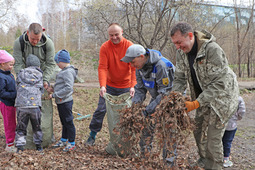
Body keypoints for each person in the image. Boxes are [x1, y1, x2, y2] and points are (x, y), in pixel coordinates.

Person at [170, 21, 239, 169]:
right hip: (203, 98)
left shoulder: (212, 50)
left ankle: (214, 166)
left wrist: (196, 103)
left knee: (213, 140)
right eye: (175, 44)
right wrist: (174, 98)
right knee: (199, 131)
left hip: (222, 99)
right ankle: (204, 161)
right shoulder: (181, 52)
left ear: (190, 36)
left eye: (179, 42)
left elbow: (220, 83)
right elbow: (180, 78)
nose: (177, 47)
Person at [121, 44, 175, 165]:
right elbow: (140, 89)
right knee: (147, 126)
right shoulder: (139, 68)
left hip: (170, 99)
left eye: (133, 62)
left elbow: (165, 94)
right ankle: (145, 159)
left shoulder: (161, 66)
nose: (132, 65)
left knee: (168, 131)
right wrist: (134, 108)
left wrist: (147, 110)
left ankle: (169, 164)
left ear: (141, 56)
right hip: (157, 97)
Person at [85, 23, 136, 146]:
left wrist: (133, 85)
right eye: (111, 35)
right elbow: (102, 67)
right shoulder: (105, 47)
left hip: (126, 86)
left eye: (116, 34)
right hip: (109, 86)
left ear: (122, 32)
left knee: (127, 113)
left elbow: (134, 68)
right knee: (101, 110)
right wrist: (103, 85)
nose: (114, 37)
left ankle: (127, 140)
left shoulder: (129, 46)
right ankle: (92, 135)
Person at [13, 23, 56, 148]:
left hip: (42, 77)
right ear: (27, 33)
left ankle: (47, 136)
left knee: (43, 109)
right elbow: (18, 63)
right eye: (33, 39)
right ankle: (26, 142)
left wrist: (45, 80)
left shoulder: (48, 43)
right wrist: (23, 78)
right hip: (24, 78)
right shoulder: (19, 43)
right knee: (25, 113)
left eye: (38, 39)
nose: (35, 42)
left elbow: (50, 64)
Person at [49, 49, 77, 152]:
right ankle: (64, 139)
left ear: (62, 61)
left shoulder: (68, 72)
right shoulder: (64, 71)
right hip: (60, 101)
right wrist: (53, 88)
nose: (57, 64)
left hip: (65, 102)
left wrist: (54, 94)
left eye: (57, 62)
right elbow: (62, 85)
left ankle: (72, 142)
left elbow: (68, 88)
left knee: (68, 122)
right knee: (64, 122)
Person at [15, 54, 44, 153]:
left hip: (21, 106)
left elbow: (17, 86)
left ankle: (20, 147)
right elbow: (41, 89)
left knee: (21, 127)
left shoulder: (20, 73)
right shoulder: (40, 75)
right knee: (37, 126)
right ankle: (39, 146)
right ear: (38, 65)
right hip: (35, 106)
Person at [0, 50, 17, 153]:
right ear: (2, 64)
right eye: (10, 65)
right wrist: (14, 95)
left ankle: (13, 139)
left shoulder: (8, 74)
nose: (12, 66)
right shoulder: (1, 77)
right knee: (9, 123)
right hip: (6, 104)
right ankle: (9, 144)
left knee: (13, 122)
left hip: (12, 103)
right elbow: (1, 93)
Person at [222, 96, 245, 168]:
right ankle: (225, 159)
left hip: (220, 124)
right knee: (227, 142)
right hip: (231, 125)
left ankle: (218, 156)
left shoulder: (221, 96)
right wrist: (238, 117)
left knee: (219, 141)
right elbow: (242, 111)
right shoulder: (238, 98)